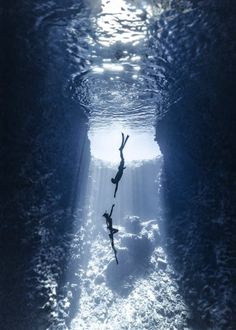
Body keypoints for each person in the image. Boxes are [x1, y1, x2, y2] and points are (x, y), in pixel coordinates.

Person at [111, 133, 129, 198]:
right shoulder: (116, 180)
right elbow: (116, 188)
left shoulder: (116, 180)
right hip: (121, 167)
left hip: (120, 167)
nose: (115, 182)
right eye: (113, 180)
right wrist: (115, 193)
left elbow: (116, 188)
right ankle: (125, 138)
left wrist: (122, 168)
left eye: (114, 181)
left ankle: (125, 139)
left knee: (122, 155)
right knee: (121, 154)